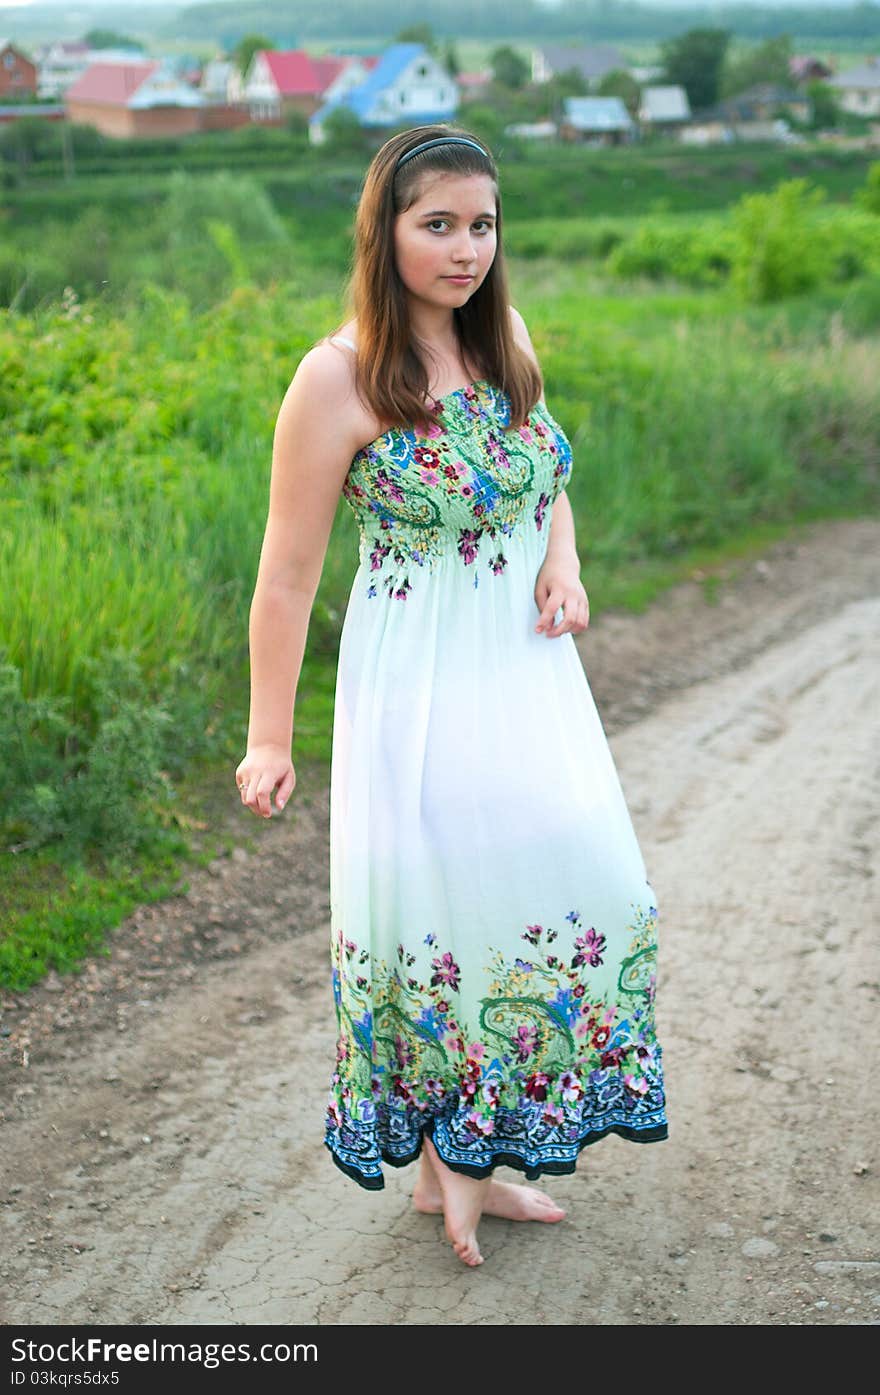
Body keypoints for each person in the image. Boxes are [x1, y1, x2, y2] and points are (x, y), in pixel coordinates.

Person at [236, 124, 668, 1268]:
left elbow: (543, 468)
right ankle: (456, 1172)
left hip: (524, 674)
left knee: (585, 880)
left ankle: (467, 1158)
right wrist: (268, 739)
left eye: (481, 224)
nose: (466, 248)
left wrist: (562, 560)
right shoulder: (335, 378)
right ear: (383, 230)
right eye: (438, 224)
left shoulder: (506, 338)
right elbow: (285, 579)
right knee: (443, 915)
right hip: (416, 685)